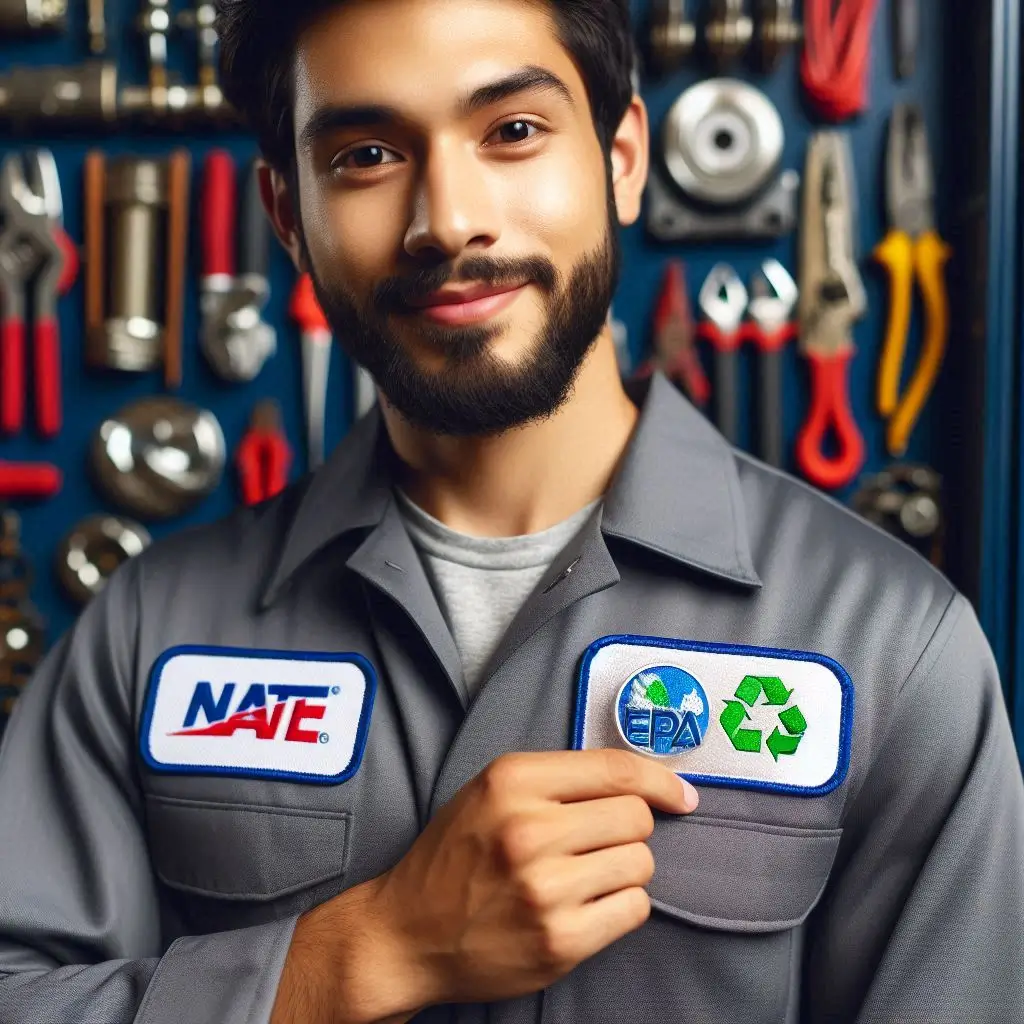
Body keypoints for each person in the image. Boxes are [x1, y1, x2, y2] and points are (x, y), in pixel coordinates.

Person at [1, 0, 1022, 1022]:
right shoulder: (146, 636)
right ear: (285, 214)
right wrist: (355, 958)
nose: (446, 218)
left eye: (513, 131)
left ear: (621, 159)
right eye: (365, 153)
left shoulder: (895, 648)